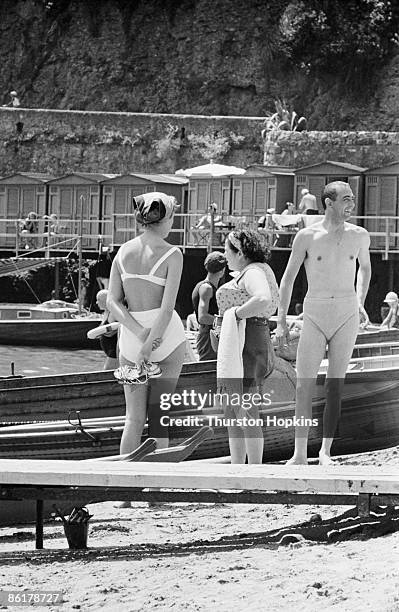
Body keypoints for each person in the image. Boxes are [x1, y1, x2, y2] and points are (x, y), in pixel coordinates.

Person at [276, 181, 371, 465]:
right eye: (346, 200)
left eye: (352, 199)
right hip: (315, 311)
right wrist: (281, 320)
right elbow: (288, 278)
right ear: (328, 203)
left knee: (335, 384)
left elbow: (365, 268)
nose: (351, 205)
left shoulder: (360, 235)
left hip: (346, 310)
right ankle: (299, 453)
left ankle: (326, 451)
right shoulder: (307, 236)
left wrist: (360, 300)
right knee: (305, 384)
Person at [107, 191, 186, 467]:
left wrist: (139, 336)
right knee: (158, 416)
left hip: (130, 339)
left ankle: (125, 491)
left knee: (133, 418)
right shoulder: (173, 254)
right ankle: (154, 489)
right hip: (166, 340)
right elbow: (166, 310)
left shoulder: (123, 251)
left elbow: (112, 301)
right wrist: (150, 341)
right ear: (166, 219)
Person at [216, 229, 279, 464]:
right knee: (234, 411)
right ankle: (238, 471)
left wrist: (235, 315)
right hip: (250, 338)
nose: (224, 255)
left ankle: (253, 473)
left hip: (248, 340)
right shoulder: (258, 269)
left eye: (226, 250)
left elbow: (262, 298)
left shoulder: (252, 272)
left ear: (240, 252)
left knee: (245, 410)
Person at [192, 251, 226, 361]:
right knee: (209, 367)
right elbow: (203, 317)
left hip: (211, 334)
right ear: (222, 270)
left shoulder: (207, 286)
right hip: (208, 336)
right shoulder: (207, 288)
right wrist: (225, 321)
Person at [95, 289, 119, 370]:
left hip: (114, 350)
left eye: (98, 300)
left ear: (106, 300)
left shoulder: (113, 312)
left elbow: (111, 331)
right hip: (109, 351)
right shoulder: (106, 312)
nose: (96, 302)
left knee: (107, 372)